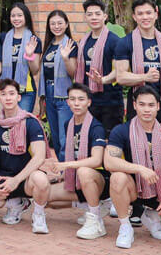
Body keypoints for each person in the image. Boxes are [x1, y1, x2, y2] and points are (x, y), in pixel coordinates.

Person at [104, 85, 161, 249]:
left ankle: (151, 216)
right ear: (134, 105)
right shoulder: (122, 131)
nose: (146, 110)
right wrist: (140, 169)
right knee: (117, 177)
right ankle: (125, 226)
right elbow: (109, 162)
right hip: (134, 189)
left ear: (158, 106)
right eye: (142, 105)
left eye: (151, 105)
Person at [0, 78, 52, 234]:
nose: (8, 98)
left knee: (41, 180)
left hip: (26, 177)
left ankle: (39, 215)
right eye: (3, 94)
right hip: (4, 177)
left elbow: (39, 156)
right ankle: (16, 203)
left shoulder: (31, 123)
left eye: (11, 94)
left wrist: (17, 180)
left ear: (19, 97)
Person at [37, 83, 110, 240]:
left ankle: (96, 219)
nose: (76, 103)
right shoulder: (68, 124)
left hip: (99, 180)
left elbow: (97, 160)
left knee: (84, 171)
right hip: (77, 181)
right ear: (68, 102)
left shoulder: (96, 127)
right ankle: (88, 204)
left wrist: (65, 165)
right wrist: (62, 173)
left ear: (89, 102)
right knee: (46, 198)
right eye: (73, 99)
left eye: (81, 99)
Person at [114, 0, 161, 125]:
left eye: (148, 13)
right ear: (134, 16)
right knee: (136, 141)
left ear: (156, 13)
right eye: (140, 14)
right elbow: (121, 77)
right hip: (137, 102)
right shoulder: (125, 43)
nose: (145, 17)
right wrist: (145, 77)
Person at [76, 0, 124, 131]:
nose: (94, 17)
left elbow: (119, 70)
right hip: (89, 101)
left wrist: (102, 80)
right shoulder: (83, 42)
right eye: (90, 14)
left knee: (110, 143)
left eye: (97, 14)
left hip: (110, 102)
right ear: (85, 17)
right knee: (91, 141)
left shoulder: (114, 41)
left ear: (105, 16)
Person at [40, 9, 78, 154]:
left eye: (60, 23)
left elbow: (73, 72)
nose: (56, 26)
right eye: (53, 23)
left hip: (64, 95)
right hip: (49, 94)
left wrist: (65, 58)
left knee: (64, 138)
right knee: (55, 138)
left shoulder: (70, 45)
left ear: (67, 24)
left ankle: (66, 174)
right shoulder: (49, 45)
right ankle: (61, 172)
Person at [0, 2, 43, 115]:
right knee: (8, 123)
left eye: (20, 15)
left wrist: (29, 55)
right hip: (6, 91)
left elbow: (35, 70)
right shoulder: (3, 38)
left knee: (22, 124)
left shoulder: (34, 40)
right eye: (13, 16)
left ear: (26, 17)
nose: (16, 18)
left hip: (26, 91)